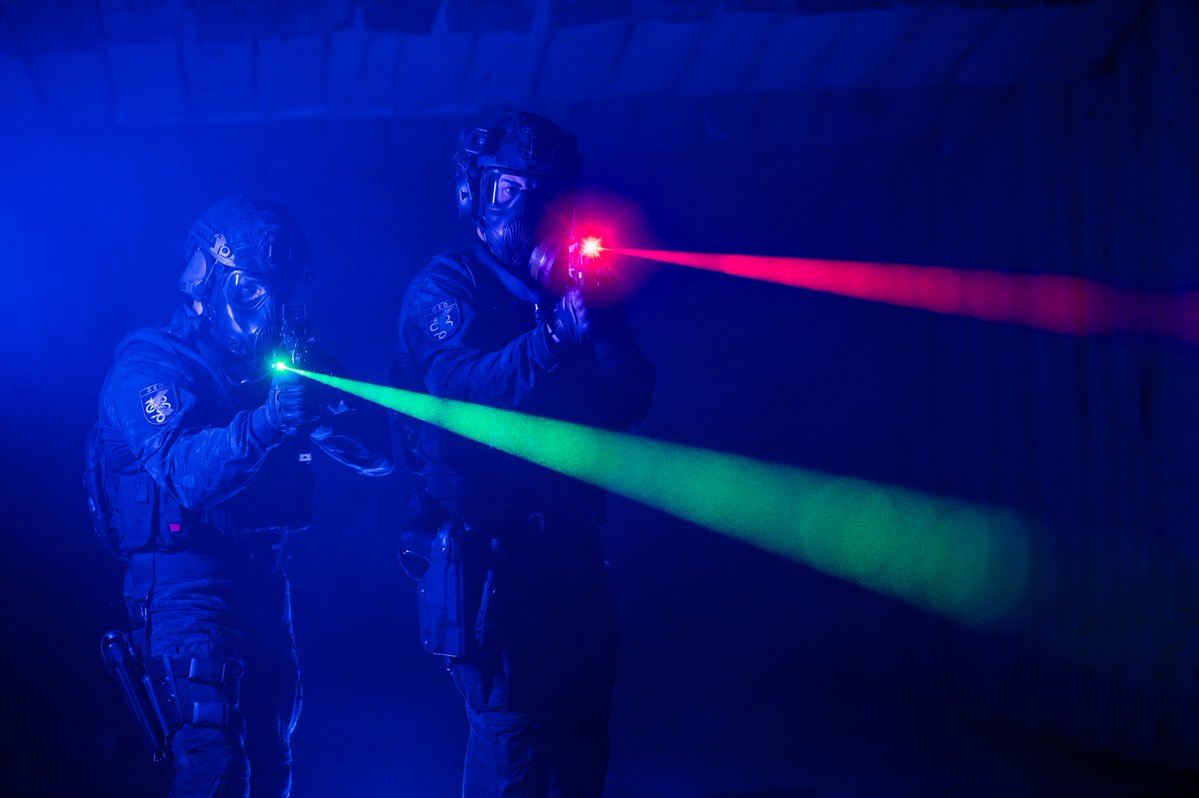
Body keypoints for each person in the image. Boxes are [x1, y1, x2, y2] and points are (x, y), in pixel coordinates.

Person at [90, 196, 391, 797]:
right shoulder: (151, 366)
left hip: (261, 586)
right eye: (252, 292)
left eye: (279, 295)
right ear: (206, 284)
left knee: (271, 765)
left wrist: (325, 416)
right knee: (214, 769)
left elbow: (380, 456)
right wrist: (272, 420)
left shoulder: (290, 365)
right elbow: (187, 475)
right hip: (184, 591)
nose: (269, 315)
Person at [393, 110, 654, 796]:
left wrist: (599, 323)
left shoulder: (569, 287)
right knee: (515, 746)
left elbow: (631, 398)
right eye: (510, 187)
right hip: (492, 563)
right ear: (473, 194)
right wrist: (551, 342)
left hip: (569, 552)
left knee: (580, 749)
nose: (530, 208)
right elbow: (456, 389)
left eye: (546, 190)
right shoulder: (448, 289)